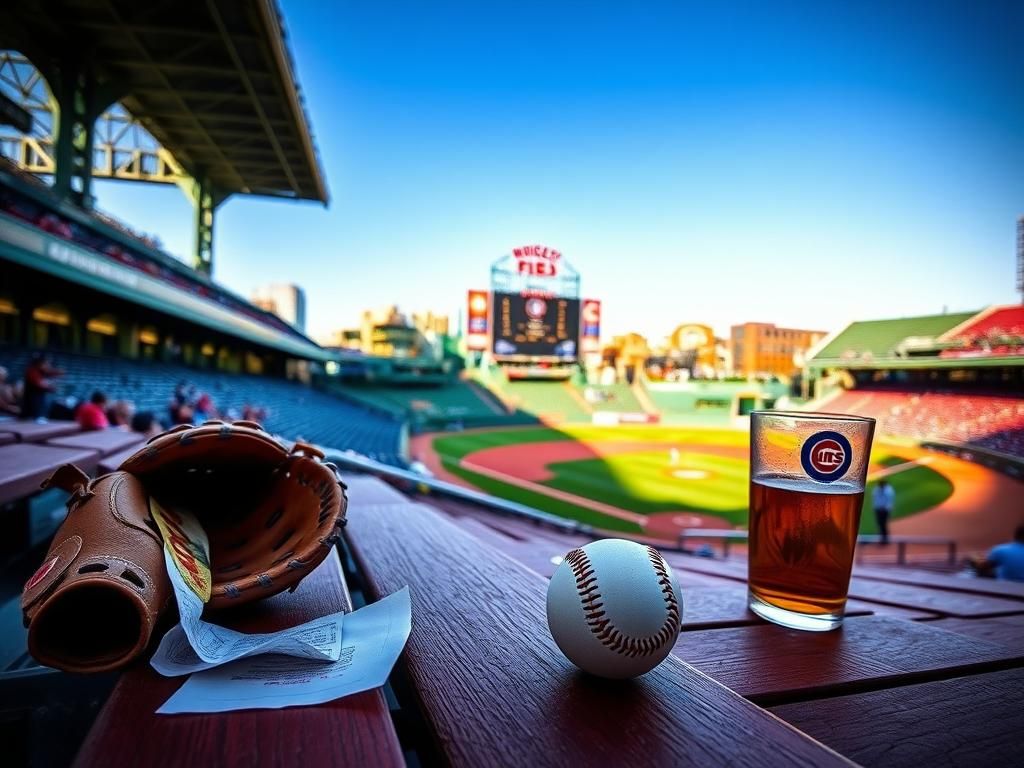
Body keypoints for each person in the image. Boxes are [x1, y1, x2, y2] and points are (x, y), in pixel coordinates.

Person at [22, 353, 63, 421]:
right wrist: (52, 384)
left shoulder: (42, 370)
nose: (48, 365)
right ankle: (38, 416)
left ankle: (43, 415)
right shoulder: (32, 371)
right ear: (40, 363)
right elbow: (42, 385)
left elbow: (59, 373)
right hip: (30, 410)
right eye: (46, 363)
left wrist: (56, 379)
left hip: (37, 407)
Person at [872, 479, 895, 545]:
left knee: (883, 524)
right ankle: (882, 538)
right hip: (878, 509)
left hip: (885, 510)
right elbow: (875, 498)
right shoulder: (877, 489)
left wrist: (885, 507)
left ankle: (885, 539)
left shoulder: (888, 491)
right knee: (880, 524)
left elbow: (889, 501)